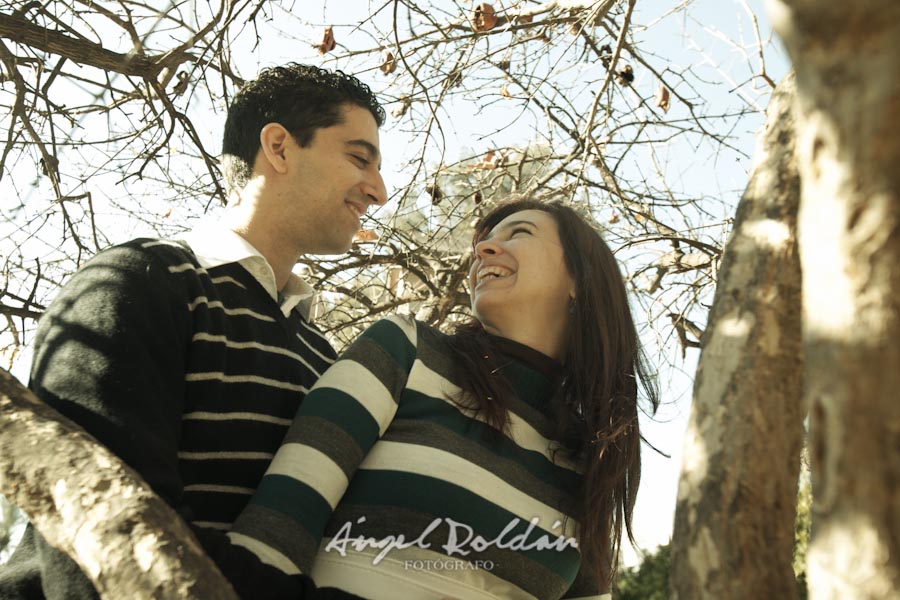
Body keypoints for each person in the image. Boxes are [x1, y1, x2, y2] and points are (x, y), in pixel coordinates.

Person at [0, 64, 388, 599]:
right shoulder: (139, 280)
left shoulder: (322, 355)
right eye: (359, 158)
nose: (379, 190)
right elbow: (101, 530)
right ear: (278, 147)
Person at [226, 198, 659, 599]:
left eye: (519, 234)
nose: (485, 250)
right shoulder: (404, 350)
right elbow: (277, 528)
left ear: (579, 282)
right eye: (484, 242)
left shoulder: (588, 460)